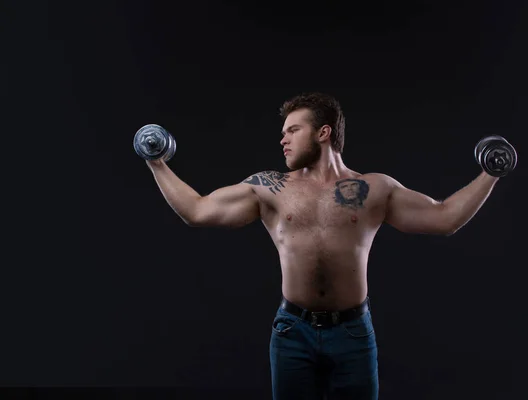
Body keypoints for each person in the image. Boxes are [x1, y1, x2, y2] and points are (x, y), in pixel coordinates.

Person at [145, 92, 504, 399]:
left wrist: (491, 172)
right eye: (282, 132)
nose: (282, 140)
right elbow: (196, 209)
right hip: (291, 332)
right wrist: (156, 161)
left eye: (292, 130)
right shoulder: (269, 187)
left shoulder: (374, 189)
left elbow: (444, 218)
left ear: (323, 132)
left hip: (352, 333)